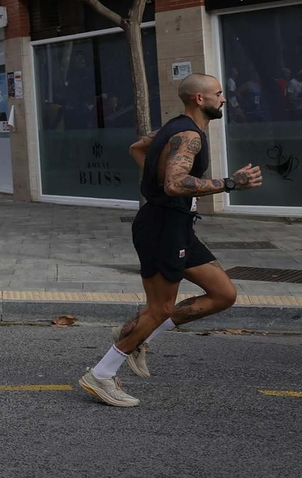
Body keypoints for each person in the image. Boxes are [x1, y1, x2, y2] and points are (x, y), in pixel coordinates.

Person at [79, 74, 264, 407]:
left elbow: (138, 148)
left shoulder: (174, 129)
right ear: (199, 99)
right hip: (162, 227)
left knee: (223, 293)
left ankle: (136, 335)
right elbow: (175, 184)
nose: (223, 99)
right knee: (160, 308)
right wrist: (229, 183)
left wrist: (154, 180)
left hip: (176, 224)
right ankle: (102, 374)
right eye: (218, 94)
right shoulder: (188, 136)